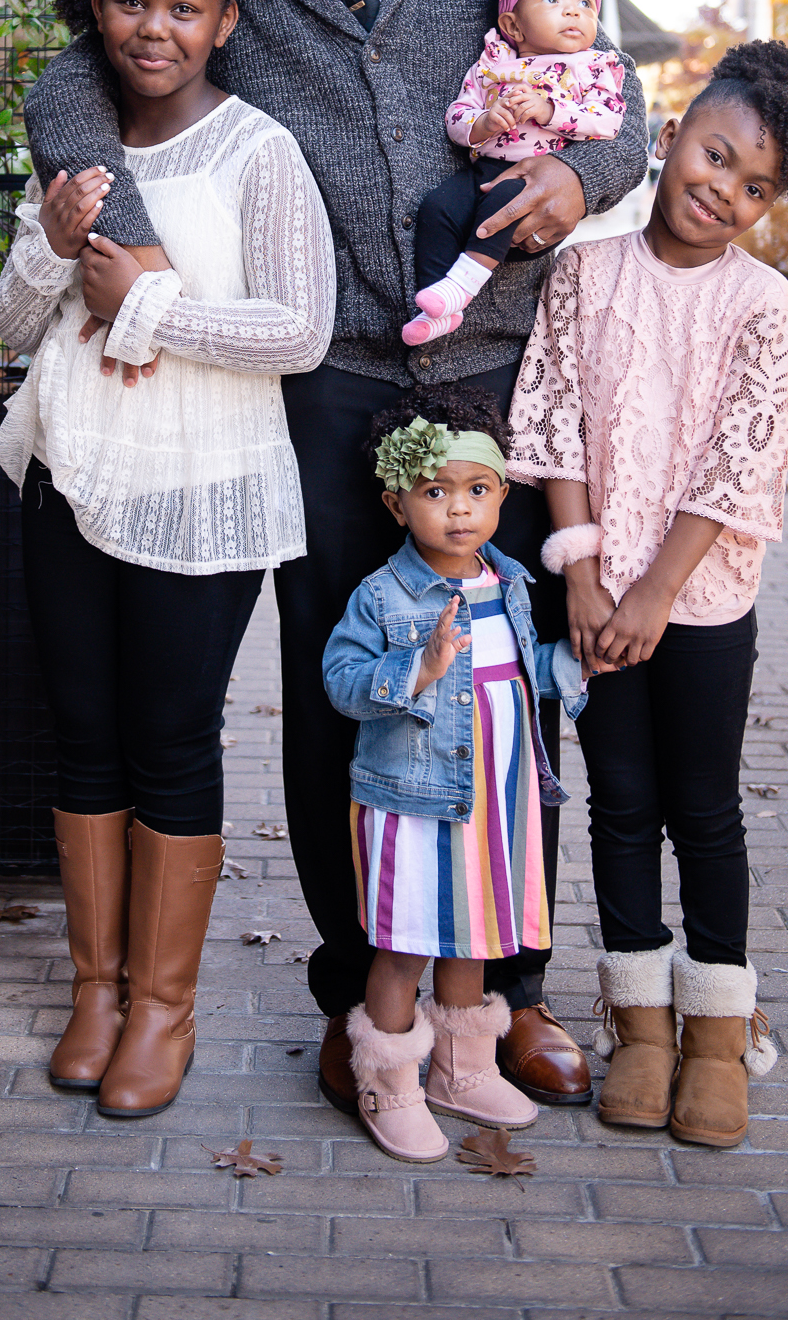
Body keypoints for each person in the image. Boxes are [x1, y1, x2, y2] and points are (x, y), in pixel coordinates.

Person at [24, 0, 648, 1111]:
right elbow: (71, 86)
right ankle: (354, 990)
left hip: (490, 371)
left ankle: (511, 993)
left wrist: (579, 168)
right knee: (339, 685)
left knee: (505, 688)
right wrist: (137, 269)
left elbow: (619, 91)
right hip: (330, 388)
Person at [0, 0, 334, 1118]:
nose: (156, 27)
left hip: (198, 488)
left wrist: (149, 301)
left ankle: (163, 1009)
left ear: (223, 22)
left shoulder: (259, 153)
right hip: (69, 474)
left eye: (185, 8)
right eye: (133, 2)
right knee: (80, 736)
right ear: (99, 9)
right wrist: (49, 244)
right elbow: (12, 325)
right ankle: (95, 989)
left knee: (169, 742)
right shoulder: (77, 155)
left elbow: (299, 330)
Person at [508, 40, 788, 1149]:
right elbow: (549, 422)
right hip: (594, 593)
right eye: (714, 156)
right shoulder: (585, 272)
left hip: (695, 604)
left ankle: (712, 1037)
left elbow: (737, 464)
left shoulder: (759, 305)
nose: (723, 192)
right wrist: (587, 579)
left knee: (702, 811)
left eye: (753, 188)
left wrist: (649, 595)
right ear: (667, 136)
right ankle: (638, 1028)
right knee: (619, 805)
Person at [322, 391, 587, 1163]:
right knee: (405, 944)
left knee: (472, 935)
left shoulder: (508, 582)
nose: (459, 510)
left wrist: (566, 664)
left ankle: (461, 1069)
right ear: (395, 503)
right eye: (435, 492)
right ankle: (388, 1084)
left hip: (495, 803)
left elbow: (514, 671)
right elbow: (340, 682)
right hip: (412, 800)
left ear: (503, 495)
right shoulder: (382, 595)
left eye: (476, 490)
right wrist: (419, 666)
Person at [405, 0, 626, 345]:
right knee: (438, 208)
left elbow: (608, 120)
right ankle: (434, 306)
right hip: (483, 168)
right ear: (514, 25)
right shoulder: (493, 66)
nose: (573, 11)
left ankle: (461, 288)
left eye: (584, 3)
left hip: (536, 181)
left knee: (505, 205)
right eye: (552, 0)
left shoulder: (592, 68)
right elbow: (458, 114)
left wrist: (550, 110)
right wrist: (485, 123)